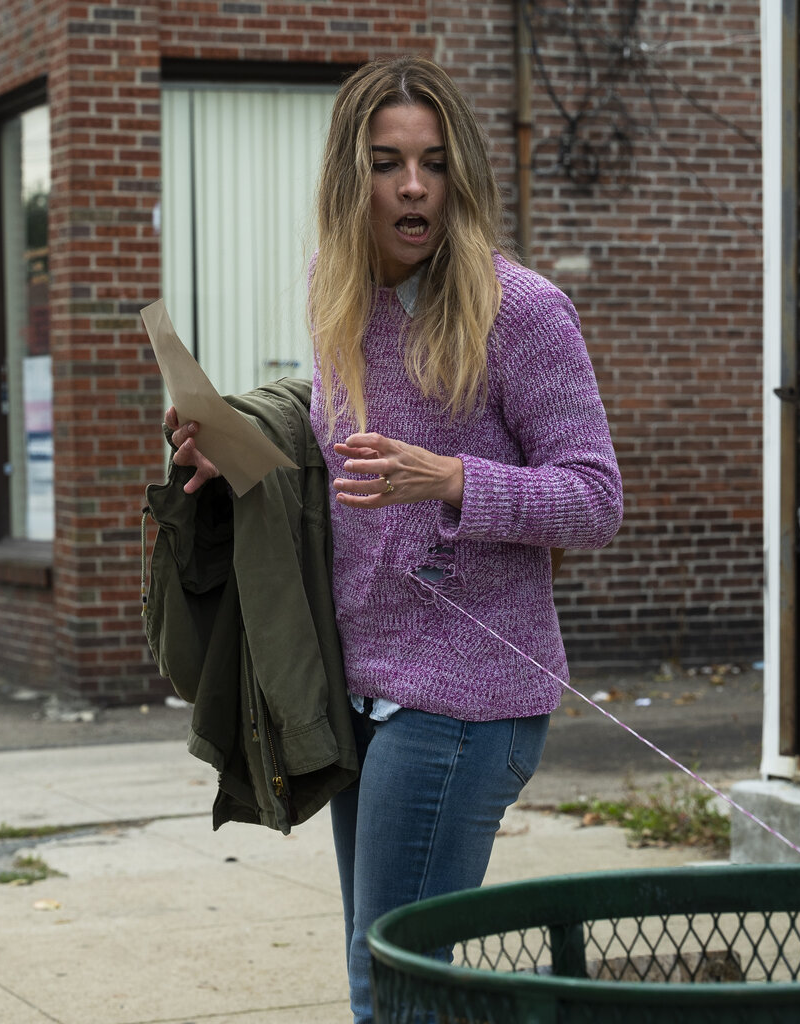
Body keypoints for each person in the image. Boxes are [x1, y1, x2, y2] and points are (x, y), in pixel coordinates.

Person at [164, 55, 622, 1023]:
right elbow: (329, 450)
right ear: (350, 178)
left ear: (462, 178)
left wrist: (452, 478)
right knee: (390, 978)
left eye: (433, 163)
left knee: (398, 989)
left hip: (465, 700)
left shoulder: (523, 312)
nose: (413, 186)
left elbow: (593, 499)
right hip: (360, 691)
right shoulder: (336, 293)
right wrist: (229, 448)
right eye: (386, 163)